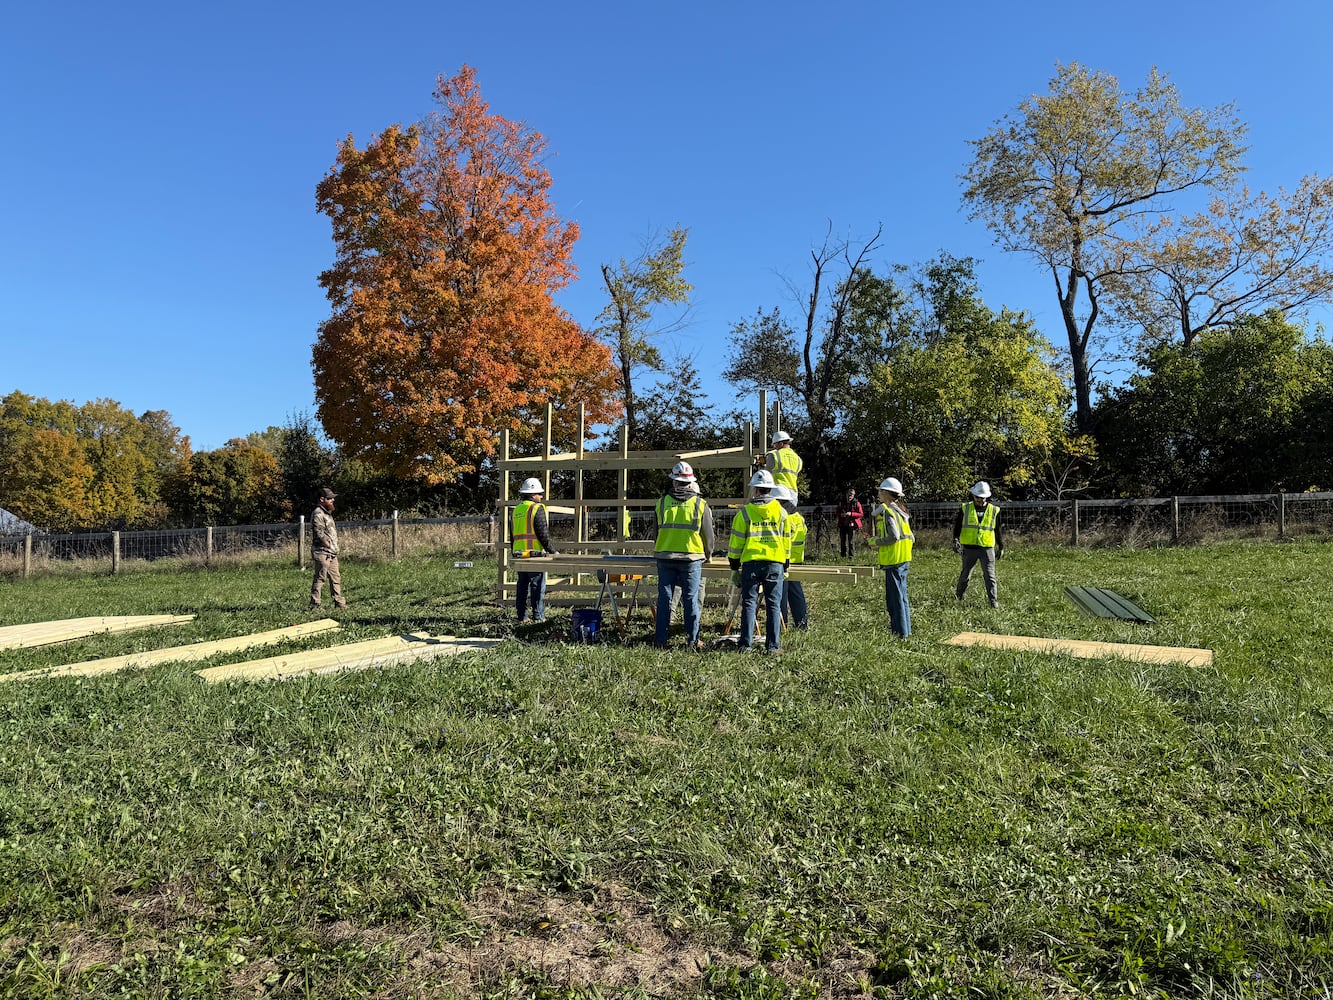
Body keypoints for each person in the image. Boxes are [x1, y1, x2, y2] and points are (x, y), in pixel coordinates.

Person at [727, 469, 792, 655]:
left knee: (749, 603)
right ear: (770, 490)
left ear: (755, 489)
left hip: (751, 563)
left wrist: (734, 567)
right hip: (775, 563)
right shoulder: (781, 513)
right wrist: (786, 564)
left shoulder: (745, 513)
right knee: (773, 604)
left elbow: (736, 543)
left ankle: (745, 645)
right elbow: (786, 540)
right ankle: (773, 647)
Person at [653, 462, 715, 651]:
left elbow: (656, 532)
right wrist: (708, 554)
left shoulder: (662, 502)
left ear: (674, 482)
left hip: (665, 556)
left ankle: (660, 640)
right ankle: (693, 640)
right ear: (690, 483)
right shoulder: (699, 504)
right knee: (691, 599)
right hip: (691, 558)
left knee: (665, 599)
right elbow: (708, 535)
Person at [871, 477, 913, 636]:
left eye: (881, 491)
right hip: (903, 558)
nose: (879, 493)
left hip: (894, 560)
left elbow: (893, 537)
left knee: (895, 600)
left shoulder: (889, 512)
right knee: (902, 598)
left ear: (888, 493)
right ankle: (905, 632)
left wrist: (876, 542)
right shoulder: (901, 511)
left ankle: (900, 633)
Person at [512, 477, 556, 623]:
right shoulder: (537, 508)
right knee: (537, 587)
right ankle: (538, 617)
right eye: (539, 493)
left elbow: (513, 533)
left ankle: (522, 616)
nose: (541, 496)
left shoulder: (517, 509)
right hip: (534, 555)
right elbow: (542, 533)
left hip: (519, 554)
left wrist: (514, 550)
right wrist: (552, 551)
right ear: (533, 494)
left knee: (522, 587)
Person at [953, 480, 1003, 608]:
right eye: (977, 497)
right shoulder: (965, 508)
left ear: (987, 496)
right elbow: (958, 526)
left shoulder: (994, 510)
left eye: (982, 498)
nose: (979, 500)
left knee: (990, 576)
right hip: (969, 548)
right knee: (965, 575)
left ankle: (993, 601)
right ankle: (959, 596)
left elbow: (997, 529)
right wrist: (955, 539)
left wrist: (1001, 545)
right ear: (973, 496)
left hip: (987, 548)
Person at [774, 486, 808, 629]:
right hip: (797, 559)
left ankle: (782, 624)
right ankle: (802, 622)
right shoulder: (798, 517)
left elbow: (782, 540)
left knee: (781, 593)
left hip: (785, 560)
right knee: (796, 593)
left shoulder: (784, 516)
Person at [309, 487, 347, 609]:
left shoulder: (327, 513)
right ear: (322, 499)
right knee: (320, 577)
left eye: (333, 498)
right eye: (330, 498)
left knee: (336, 578)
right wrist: (327, 544)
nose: (332, 500)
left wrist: (333, 547)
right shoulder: (318, 513)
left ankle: (339, 603)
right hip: (322, 552)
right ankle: (315, 604)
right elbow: (318, 531)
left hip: (332, 552)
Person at [836, 487, 864, 557]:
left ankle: (851, 556)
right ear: (846, 494)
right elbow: (837, 512)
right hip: (842, 524)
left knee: (851, 541)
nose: (850, 496)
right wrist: (841, 515)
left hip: (852, 525)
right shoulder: (841, 503)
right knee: (842, 541)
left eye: (851, 495)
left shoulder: (857, 503)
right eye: (849, 494)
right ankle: (843, 556)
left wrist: (851, 514)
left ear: (854, 495)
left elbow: (861, 514)